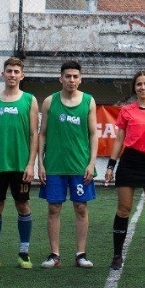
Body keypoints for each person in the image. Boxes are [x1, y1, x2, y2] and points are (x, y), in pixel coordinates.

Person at [103, 70, 145, 271]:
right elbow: (119, 140)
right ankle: (117, 255)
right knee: (123, 210)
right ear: (134, 88)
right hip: (129, 163)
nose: (143, 87)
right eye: (139, 84)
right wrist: (111, 165)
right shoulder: (127, 111)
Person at [0, 56, 39, 269]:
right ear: (2, 74)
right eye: (9, 71)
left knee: (23, 205)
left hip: (20, 165)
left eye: (16, 71)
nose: (12, 75)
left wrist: (31, 164)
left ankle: (24, 253)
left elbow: (34, 134)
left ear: (22, 75)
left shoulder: (30, 100)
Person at [38, 60, 99, 269]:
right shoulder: (49, 102)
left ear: (80, 79)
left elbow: (93, 134)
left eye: (75, 76)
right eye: (68, 76)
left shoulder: (89, 101)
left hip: (80, 166)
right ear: (60, 78)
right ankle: (54, 255)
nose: (71, 80)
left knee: (81, 207)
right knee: (54, 208)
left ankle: (81, 254)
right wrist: (40, 163)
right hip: (54, 165)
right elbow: (42, 134)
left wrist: (91, 163)